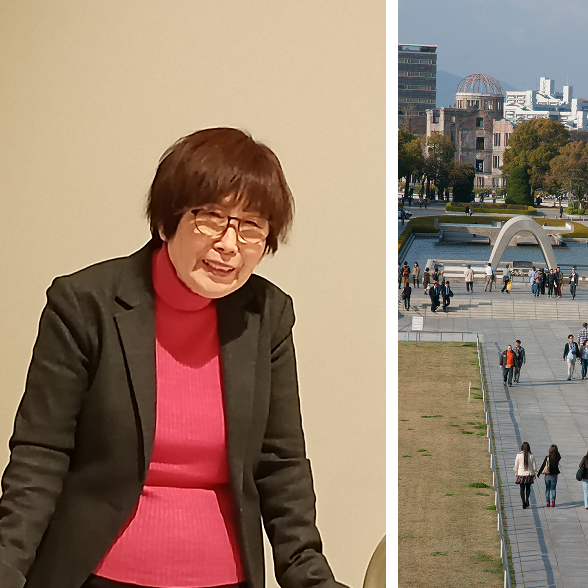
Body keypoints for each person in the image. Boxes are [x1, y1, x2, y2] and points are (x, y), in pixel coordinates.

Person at [0, 128, 347, 588]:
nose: (229, 244)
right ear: (167, 221)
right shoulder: (85, 304)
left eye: (251, 227)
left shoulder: (268, 314)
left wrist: (311, 576)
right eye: (211, 219)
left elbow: (281, 462)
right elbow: (41, 454)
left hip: (225, 578)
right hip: (96, 575)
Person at [512, 442, 536, 509]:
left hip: (521, 473)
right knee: (528, 488)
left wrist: (516, 471)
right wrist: (534, 472)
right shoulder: (531, 455)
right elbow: (534, 466)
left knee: (522, 488)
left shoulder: (519, 455)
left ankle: (523, 502)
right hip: (529, 474)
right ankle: (527, 499)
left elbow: (516, 464)